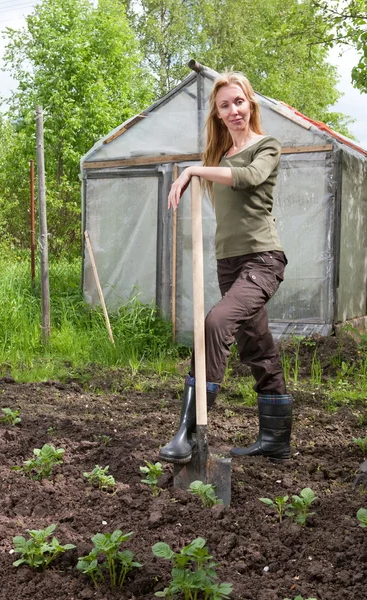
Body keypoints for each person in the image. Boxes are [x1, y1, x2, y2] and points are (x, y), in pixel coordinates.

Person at [159, 71, 293, 465]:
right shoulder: (218, 159)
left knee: (215, 323)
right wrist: (199, 169)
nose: (233, 110)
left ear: (250, 103)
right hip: (228, 264)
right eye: (224, 105)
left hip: (263, 259)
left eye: (239, 101)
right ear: (217, 115)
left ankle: (188, 432)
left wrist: (192, 170)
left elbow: (249, 178)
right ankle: (275, 439)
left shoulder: (266, 147)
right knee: (257, 347)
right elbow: (223, 180)